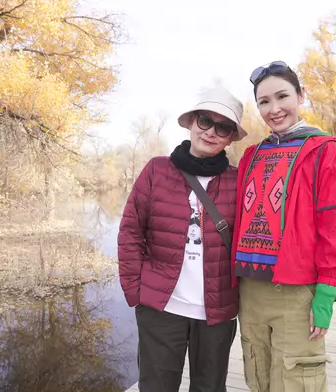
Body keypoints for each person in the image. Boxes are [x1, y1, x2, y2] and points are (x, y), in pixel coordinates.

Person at [118, 86, 248, 392]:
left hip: (217, 313)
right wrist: (135, 292)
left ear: (231, 137)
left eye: (223, 127)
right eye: (205, 120)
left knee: (209, 388)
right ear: (191, 122)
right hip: (162, 309)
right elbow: (130, 232)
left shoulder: (238, 180)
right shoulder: (156, 171)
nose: (211, 132)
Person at [231, 61, 336, 391]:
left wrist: (326, 293)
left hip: (296, 291)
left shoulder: (323, 150)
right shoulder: (251, 156)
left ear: (300, 96)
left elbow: (334, 224)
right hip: (249, 292)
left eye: (282, 96)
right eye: (264, 102)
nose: (274, 109)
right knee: (259, 378)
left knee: (297, 381)